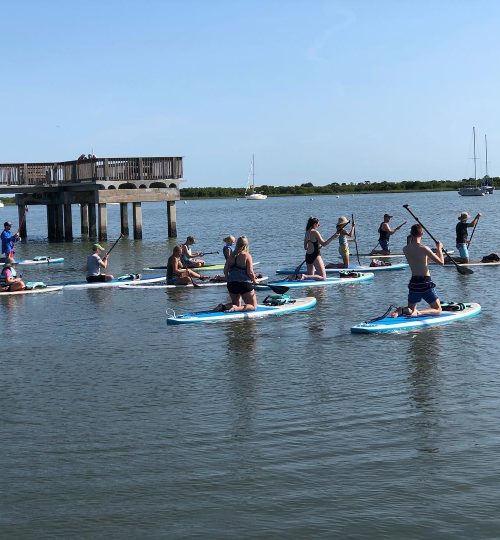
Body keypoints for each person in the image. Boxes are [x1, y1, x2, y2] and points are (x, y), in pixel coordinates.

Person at [391, 223, 444, 317]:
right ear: (422, 234)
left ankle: (402, 310)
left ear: (411, 234)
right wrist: (439, 248)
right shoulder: (424, 248)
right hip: (425, 283)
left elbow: (422, 262)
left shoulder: (405, 249)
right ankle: (419, 312)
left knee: (410, 309)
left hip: (414, 283)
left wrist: (430, 255)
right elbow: (441, 262)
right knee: (438, 310)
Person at [217, 236, 258, 312]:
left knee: (235, 303)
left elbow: (225, 269)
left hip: (231, 284)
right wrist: (254, 281)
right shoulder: (247, 255)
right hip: (244, 284)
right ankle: (236, 309)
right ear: (246, 245)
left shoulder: (231, 255)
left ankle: (223, 306)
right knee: (253, 306)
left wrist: (227, 277)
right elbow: (250, 272)